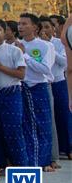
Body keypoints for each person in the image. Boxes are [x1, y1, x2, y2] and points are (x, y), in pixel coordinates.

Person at [0, 19, 29, 169]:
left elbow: (21, 74)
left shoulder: (14, 50)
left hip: (11, 93)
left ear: (5, 32)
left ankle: (20, 164)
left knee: (13, 129)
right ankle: (0, 164)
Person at [17, 13, 55, 171]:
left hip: (38, 87)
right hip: (21, 87)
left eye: (25, 24)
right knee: (24, 125)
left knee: (43, 124)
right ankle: (29, 160)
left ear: (35, 27)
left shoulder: (45, 46)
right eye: (19, 24)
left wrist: (24, 55)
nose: (20, 26)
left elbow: (45, 69)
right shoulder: (15, 45)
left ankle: (44, 160)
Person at [45, 16, 71, 160]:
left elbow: (65, 63)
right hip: (44, 84)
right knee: (49, 119)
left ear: (54, 28)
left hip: (59, 82)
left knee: (63, 116)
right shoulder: (33, 44)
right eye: (43, 28)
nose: (45, 30)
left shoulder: (59, 43)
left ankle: (68, 147)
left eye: (49, 26)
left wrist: (50, 49)